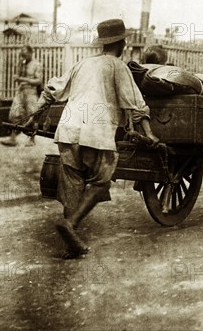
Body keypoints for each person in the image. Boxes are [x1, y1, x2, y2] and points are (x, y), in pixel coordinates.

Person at [27, 19, 159, 258]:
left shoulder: (82, 64)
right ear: (122, 43)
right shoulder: (119, 67)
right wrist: (150, 134)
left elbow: (51, 90)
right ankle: (70, 225)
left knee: (72, 185)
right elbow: (136, 105)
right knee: (100, 184)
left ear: (101, 43)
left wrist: (32, 117)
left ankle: (72, 243)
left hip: (68, 130)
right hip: (95, 133)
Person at [1, 45, 42, 147]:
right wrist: (18, 74)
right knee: (14, 113)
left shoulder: (37, 64)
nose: (23, 57)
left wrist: (24, 79)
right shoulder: (22, 63)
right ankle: (13, 138)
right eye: (22, 55)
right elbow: (17, 76)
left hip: (31, 92)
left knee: (32, 115)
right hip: (21, 91)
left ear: (30, 53)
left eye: (25, 55)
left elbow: (39, 81)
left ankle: (32, 139)